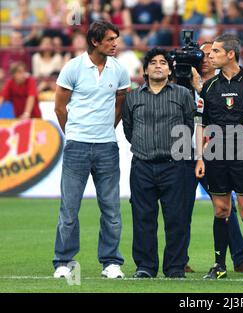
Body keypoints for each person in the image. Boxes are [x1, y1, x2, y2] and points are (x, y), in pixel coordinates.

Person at [52, 21, 130, 279]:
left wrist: (106, 130)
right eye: (110, 40)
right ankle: (63, 261)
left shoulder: (119, 70)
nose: (115, 44)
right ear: (95, 42)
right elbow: (60, 108)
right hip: (77, 147)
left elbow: (120, 105)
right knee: (69, 209)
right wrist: (74, 134)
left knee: (111, 209)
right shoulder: (72, 68)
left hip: (107, 146)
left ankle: (111, 262)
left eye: (116, 39)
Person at [122, 48, 196, 279]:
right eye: (152, 62)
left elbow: (189, 125)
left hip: (175, 165)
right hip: (142, 165)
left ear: (170, 69)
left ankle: (175, 268)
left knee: (177, 218)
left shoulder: (183, 94)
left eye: (163, 62)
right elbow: (128, 129)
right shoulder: (133, 97)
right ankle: (145, 266)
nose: (158, 66)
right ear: (145, 70)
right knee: (143, 218)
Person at [193, 34, 243, 279]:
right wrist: (200, 158)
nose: (209, 56)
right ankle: (219, 265)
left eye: (215, 52)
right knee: (221, 209)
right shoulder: (209, 87)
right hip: (216, 156)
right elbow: (202, 125)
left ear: (231, 54)